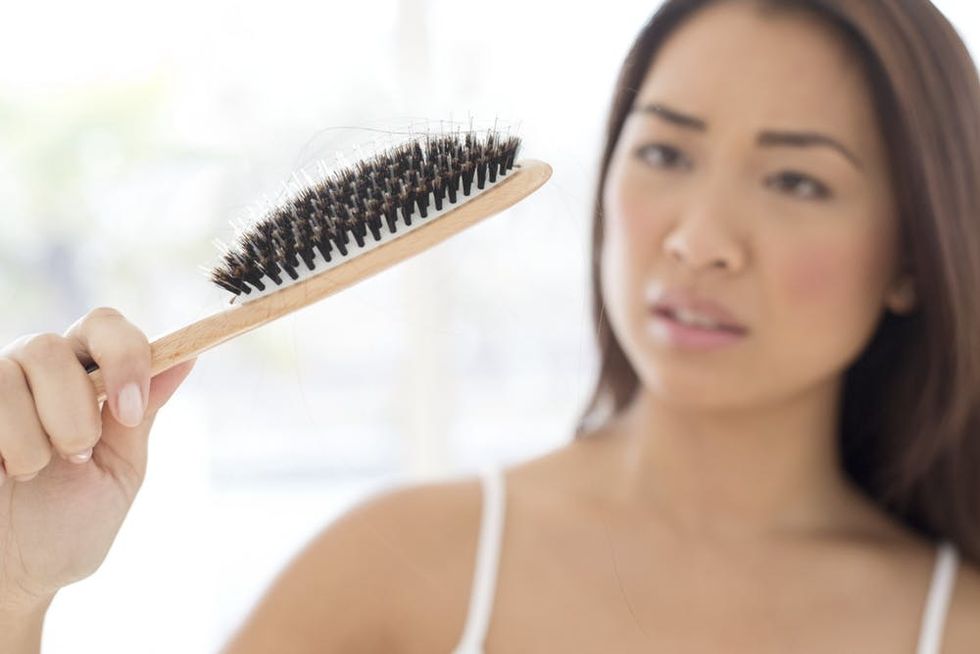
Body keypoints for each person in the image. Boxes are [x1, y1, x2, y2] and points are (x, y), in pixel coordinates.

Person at [2, 0, 979, 651]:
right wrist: (16, 592)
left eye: (794, 179)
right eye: (665, 154)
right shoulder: (397, 567)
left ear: (909, 252)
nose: (696, 238)